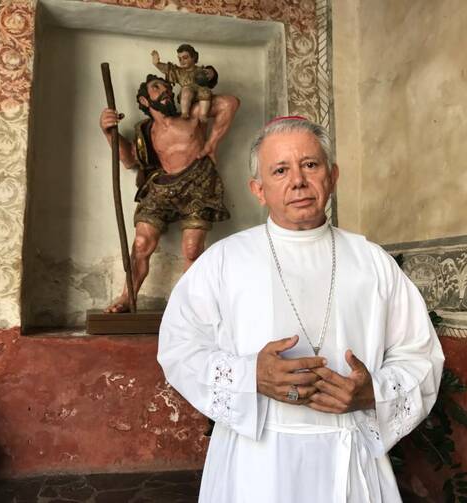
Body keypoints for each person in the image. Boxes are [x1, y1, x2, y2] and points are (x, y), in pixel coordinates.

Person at [157, 116, 444, 502]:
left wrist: (372, 393)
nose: (298, 180)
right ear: (258, 189)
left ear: (332, 175)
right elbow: (179, 349)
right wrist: (250, 375)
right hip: (254, 461)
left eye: (310, 164)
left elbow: (419, 354)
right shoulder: (224, 261)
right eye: (280, 170)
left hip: (348, 454)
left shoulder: (371, 261)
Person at [99, 74, 239, 312]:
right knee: (141, 243)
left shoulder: (192, 115)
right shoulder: (145, 131)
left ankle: (190, 303)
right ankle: (127, 296)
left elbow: (229, 103)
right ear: (144, 101)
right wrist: (109, 133)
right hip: (161, 187)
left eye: (166, 86)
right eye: (157, 87)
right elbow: (129, 160)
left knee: (192, 249)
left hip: (198, 182)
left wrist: (212, 142)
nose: (166, 90)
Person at [151, 44, 218, 122]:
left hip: (199, 91)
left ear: (193, 57)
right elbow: (167, 69)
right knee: (186, 90)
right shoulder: (178, 71)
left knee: (205, 91)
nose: (182, 61)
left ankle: (203, 114)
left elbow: (209, 76)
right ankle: (185, 113)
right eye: (179, 59)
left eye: (185, 58)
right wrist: (157, 63)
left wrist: (212, 73)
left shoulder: (200, 70)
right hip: (186, 94)